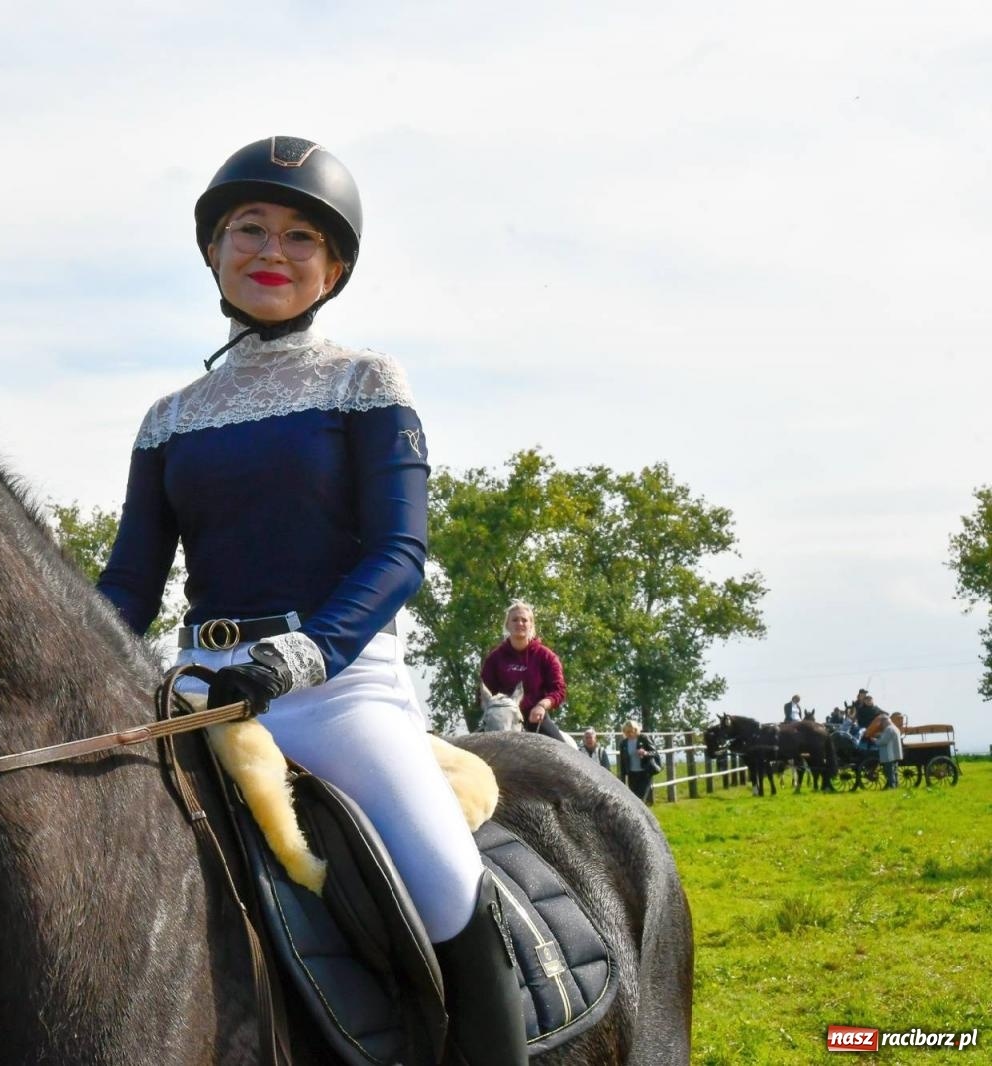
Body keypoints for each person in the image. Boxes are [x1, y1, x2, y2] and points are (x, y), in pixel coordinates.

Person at [96, 136, 525, 1064]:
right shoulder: (168, 418)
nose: (271, 252)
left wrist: (312, 651)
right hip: (200, 687)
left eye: (299, 238)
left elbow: (399, 551)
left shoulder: (366, 383)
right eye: (248, 229)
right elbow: (130, 582)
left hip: (335, 688)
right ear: (213, 251)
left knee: (448, 884)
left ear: (332, 269)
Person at [479, 601, 568, 742]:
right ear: (507, 624)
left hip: (535, 718)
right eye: (514, 620)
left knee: (564, 754)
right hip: (499, 721)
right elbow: (485, 691)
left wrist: (541, 706)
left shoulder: (546, 656)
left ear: (531, 625)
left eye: (524, 620)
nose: (519, 623)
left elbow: (559, 690)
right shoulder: (495, 658)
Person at [618, 720, 660, 802]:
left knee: (641, 799)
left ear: (636, 730)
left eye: (632, 731)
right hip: (632, 774)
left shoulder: (644, 738)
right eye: (627, 732)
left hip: (645, 773)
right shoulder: (623, 743)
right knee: (633, 799)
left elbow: (655, 752)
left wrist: (645, 753)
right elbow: (623, 761)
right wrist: (622, 778)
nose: (630, 734)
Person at [875, 713, 903, 789]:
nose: (881, 725)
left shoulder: (889, 729)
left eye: (882, 723)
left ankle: (892, 786)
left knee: (889, 772)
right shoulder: (895, 728)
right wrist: (880, 735)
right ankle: (896, 786)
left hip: (890, 755)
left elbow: (883, 741)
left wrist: (875, 741)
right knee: (895, 771)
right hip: (896, 754)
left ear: (885, 722)